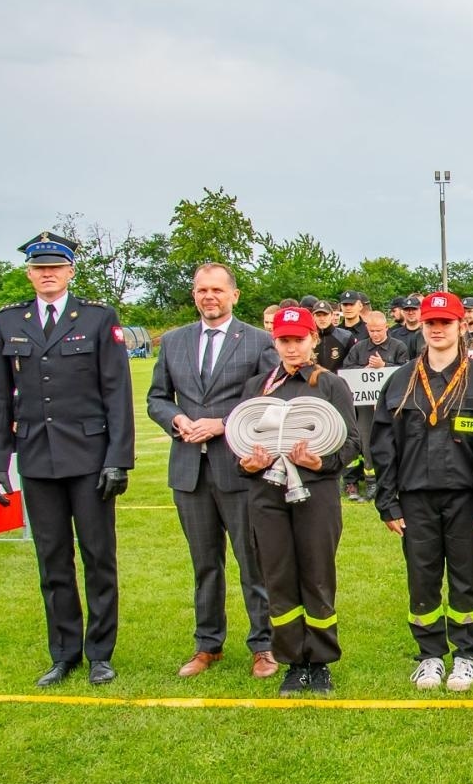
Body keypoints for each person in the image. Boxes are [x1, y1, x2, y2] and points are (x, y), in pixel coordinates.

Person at [0, 231, 135, 686]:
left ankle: (100, 653)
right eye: (39, 268)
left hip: (89, 457)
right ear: (29, 273)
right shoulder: (10, 321)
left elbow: (117, 391)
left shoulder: (95, 318)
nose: (47, 274)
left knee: (97, 557)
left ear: (70, 271)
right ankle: (64, 652)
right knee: (52, 560)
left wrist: (118, 459)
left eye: (55, 267)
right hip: (36, 458)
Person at [147, 263, 280, 680]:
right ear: (194, 295)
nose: (210, 297)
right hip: (189, 471)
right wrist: (176, 419)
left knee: (252, 561)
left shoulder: (259, 341)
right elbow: (156, 397)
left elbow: (269, 399)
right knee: (205, 564)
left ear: (234, 296)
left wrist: (223, 422)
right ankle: (208, 645)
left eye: (218, 290)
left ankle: (264, 645)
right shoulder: (172, 342)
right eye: (202, 290)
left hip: (238, 468)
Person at [371, 292, 473, 691]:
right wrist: (387, 501)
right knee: (422, 577)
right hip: (415, 498)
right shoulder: (400, 379)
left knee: (466, 576)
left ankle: (465, 656)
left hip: (467, 498)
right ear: (422, 328)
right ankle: (429, 656)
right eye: (431, 324)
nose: (438, 329)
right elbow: (383, 446)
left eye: (446, 322)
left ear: (463, 326)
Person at [235, 306, 361, 694]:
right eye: (284, 340)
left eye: (299, 340)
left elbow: (353, 442)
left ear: (314, 340)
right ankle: (292, 661)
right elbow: (237, 437)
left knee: (317, 576)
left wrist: (321, 461)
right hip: (266, 496)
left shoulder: (330, 385)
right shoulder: (257, 386)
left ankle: (320, 662)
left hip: (316, 495)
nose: (291, 348)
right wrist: (249, 463)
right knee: (278, 578)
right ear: (274, 341)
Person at [341, 310, 409, 501]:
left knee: (394, 439)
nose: (375, 334)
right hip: (365, 405)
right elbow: (346, 370)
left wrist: (384, 366)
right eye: (371, 331)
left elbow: (406, 370)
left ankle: (394, 481)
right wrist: (363, 370)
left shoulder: (399, 346)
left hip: (390, 403)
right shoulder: (359, 348)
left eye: (379, 330)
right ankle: (371, 482)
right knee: (366, 440)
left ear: (386, 328)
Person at [311, 300, 353, 370]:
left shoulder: (346, 337)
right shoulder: (308, 338)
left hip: (338, 379)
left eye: (325, 315)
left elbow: (353, 362)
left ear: (331, 315)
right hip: (315, 379)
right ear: (313, 317)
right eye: (318, 315)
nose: (322, 319)